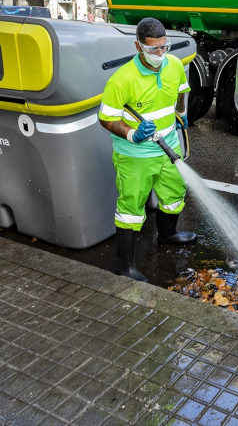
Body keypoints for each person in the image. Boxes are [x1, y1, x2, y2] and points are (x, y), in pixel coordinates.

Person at [98, 17, 196, 281]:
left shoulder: (173, 64)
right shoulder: (121, 80)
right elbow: (106, 118)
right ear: (138, 46)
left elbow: (181, 89)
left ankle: (167, 235)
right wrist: (131, 134)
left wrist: (181, 111)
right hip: (136, 156)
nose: (160, 54)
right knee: (131, 207)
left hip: (168, 148)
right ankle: (124, 266)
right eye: (153, 49)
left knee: (175, 193)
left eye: (164, 47)